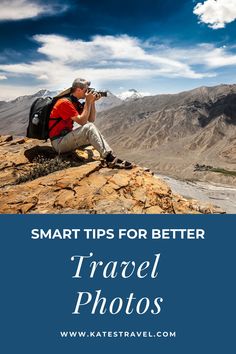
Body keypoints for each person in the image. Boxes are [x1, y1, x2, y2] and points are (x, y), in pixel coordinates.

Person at [49, 78, 133, 169]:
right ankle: (109, 159)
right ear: (78, 90)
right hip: (59, 143)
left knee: (96, 136)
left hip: (65, 138)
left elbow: (91, 119)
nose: (87, 93)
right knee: (89, 128)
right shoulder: (64, 103)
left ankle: (108, 154)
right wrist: (88, 101)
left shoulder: (75, 103)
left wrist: (92, 102)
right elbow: (83, 122)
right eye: (86, 90)